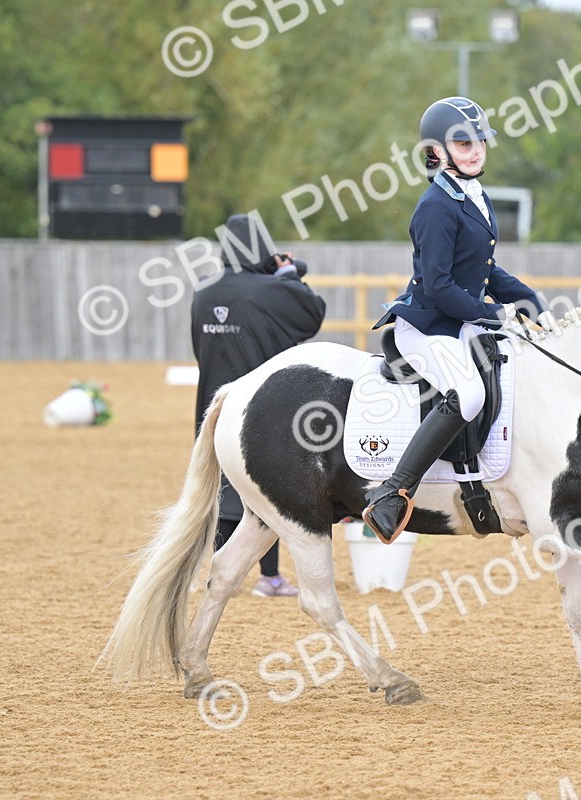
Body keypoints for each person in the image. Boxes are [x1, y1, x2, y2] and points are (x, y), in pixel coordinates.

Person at [362, 96, 557, 544]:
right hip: (428, 324)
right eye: (464, 144)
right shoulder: (435, 206)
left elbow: (484, 272)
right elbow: (438, 286)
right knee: (467, 392)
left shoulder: (473, 195)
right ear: (437, 151)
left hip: (459, 320)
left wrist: (527, 299)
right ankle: (393, 493)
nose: (476, 151)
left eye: (480, 142)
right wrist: (493, 313)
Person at [191, 213, 327, 596]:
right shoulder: (271, 290)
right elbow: (312, 314)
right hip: (264, 404)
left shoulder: (204, 290)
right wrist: (288, 278)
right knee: (272, 486)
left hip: (212, 398)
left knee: (221, 483)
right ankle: (269, 577)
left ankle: (222, 570)